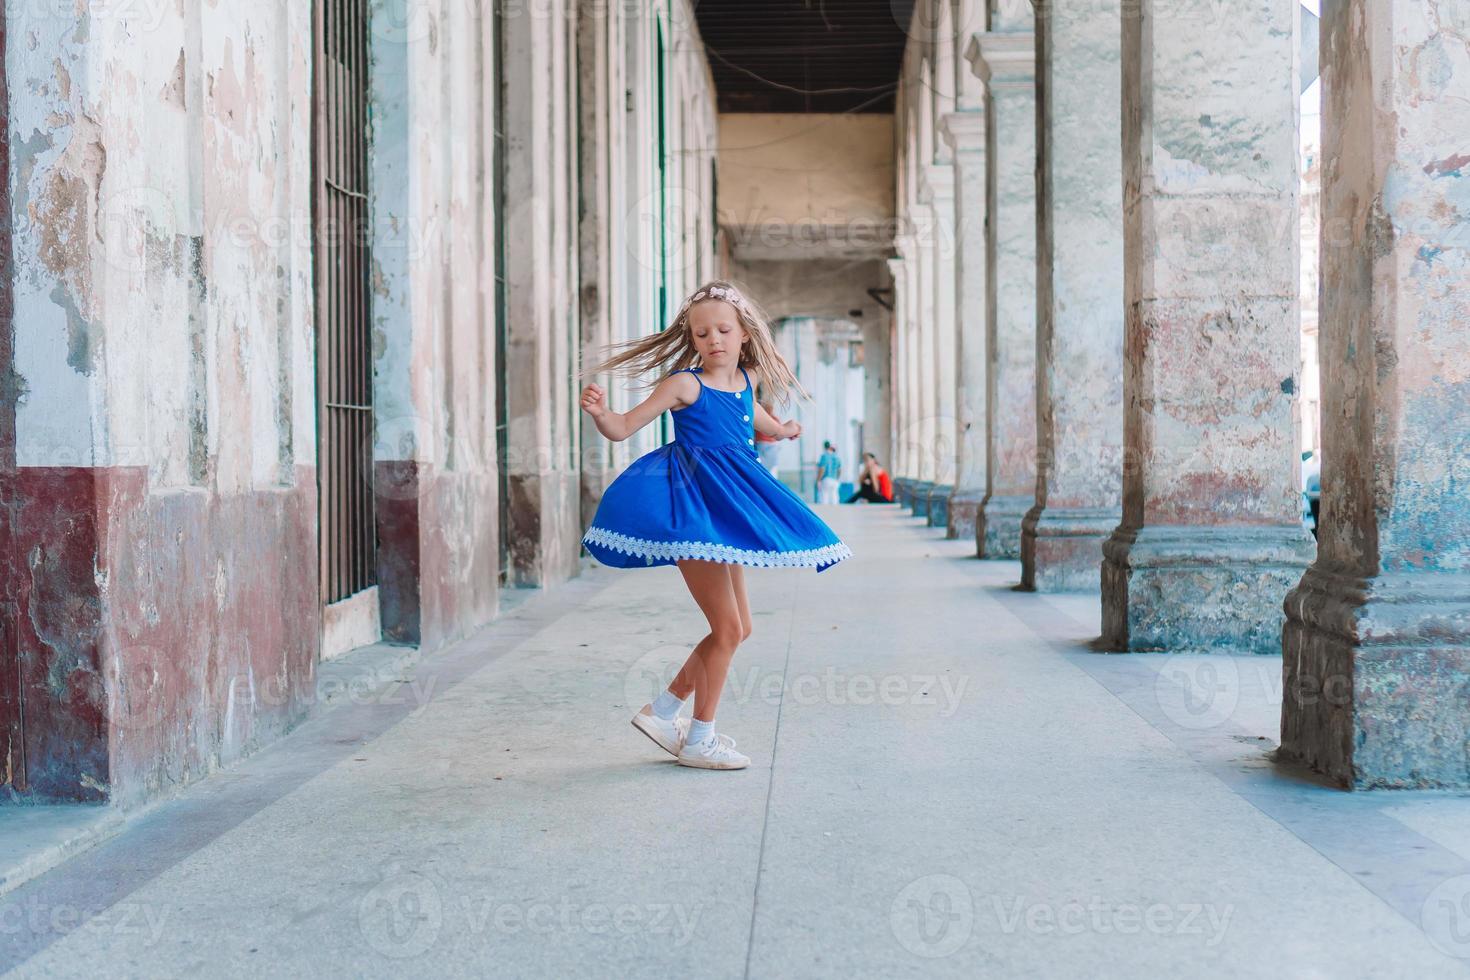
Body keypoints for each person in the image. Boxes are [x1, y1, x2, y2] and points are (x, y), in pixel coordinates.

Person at [578, 279, 853, 770]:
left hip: (730, 513)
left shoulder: (746, 382)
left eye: (723, 330)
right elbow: (623, 427)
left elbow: (761, 423)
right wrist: (602, 414)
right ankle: (699, 737)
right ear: (693, 338)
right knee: (726, 629)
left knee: (740, 628)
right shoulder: (686, 384)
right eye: (702, 333)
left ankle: (662, 712)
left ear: (744, 333)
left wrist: (786, 430)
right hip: (695, 512)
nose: (714, 340)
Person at [816, 440, 842, 505]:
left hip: (826, 479)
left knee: (824, 497)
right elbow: (840, 470)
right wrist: (837, 479)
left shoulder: (824, 456)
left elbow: (822, 469)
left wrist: (818, 480)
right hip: (834, 480)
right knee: (834, 497)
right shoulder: (837, 457)